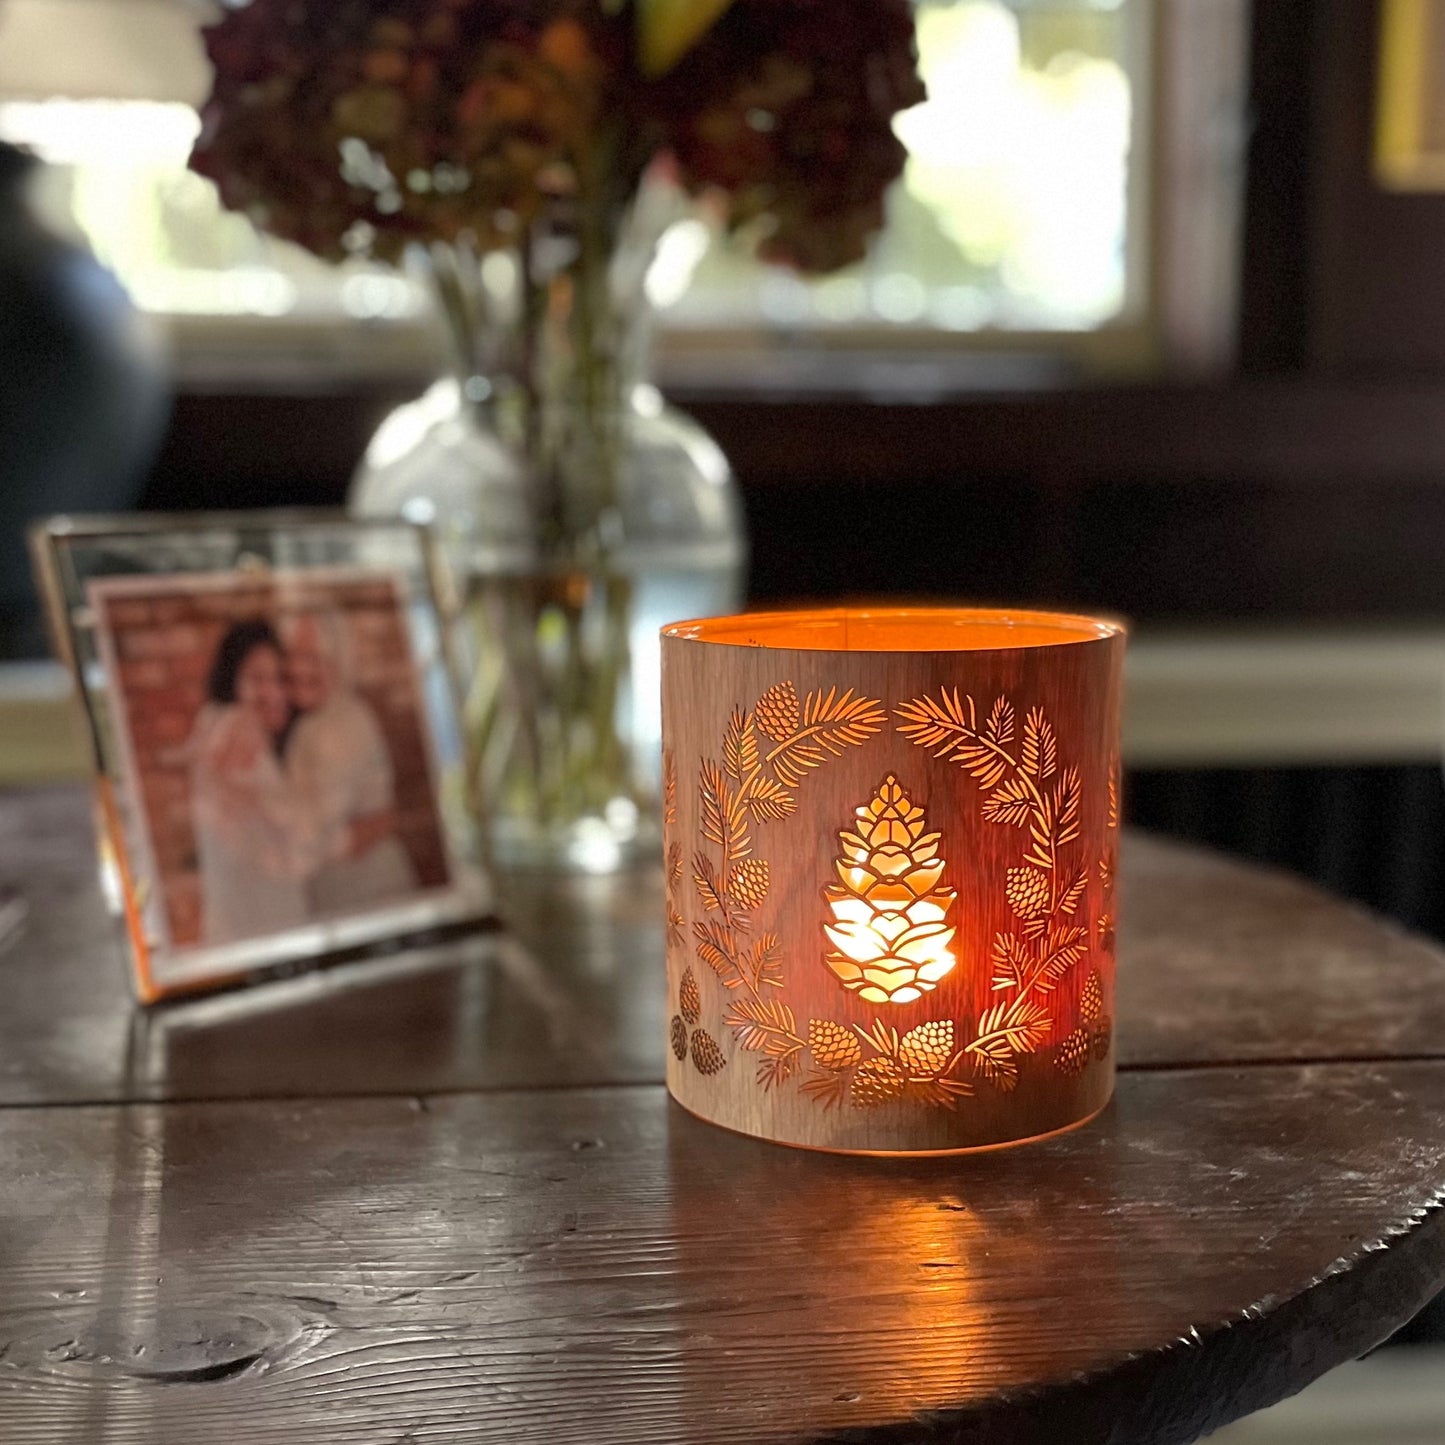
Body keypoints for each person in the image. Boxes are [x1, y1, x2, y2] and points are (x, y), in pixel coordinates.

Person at [281, 609, 419, 914]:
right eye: (295, 654)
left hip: (369, 892)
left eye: (313, 656)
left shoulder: (346, 723)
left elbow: (320, 829)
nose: (300, 667)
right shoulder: (310, 723)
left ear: (338, 659)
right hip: (333, 893)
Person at [190, 619, 315, 945]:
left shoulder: (261, 738)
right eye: (257, 678)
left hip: (268, 928)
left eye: (279, 678)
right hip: (250, 938)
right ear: (232, 681)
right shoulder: (234, 726)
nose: (273, 692)